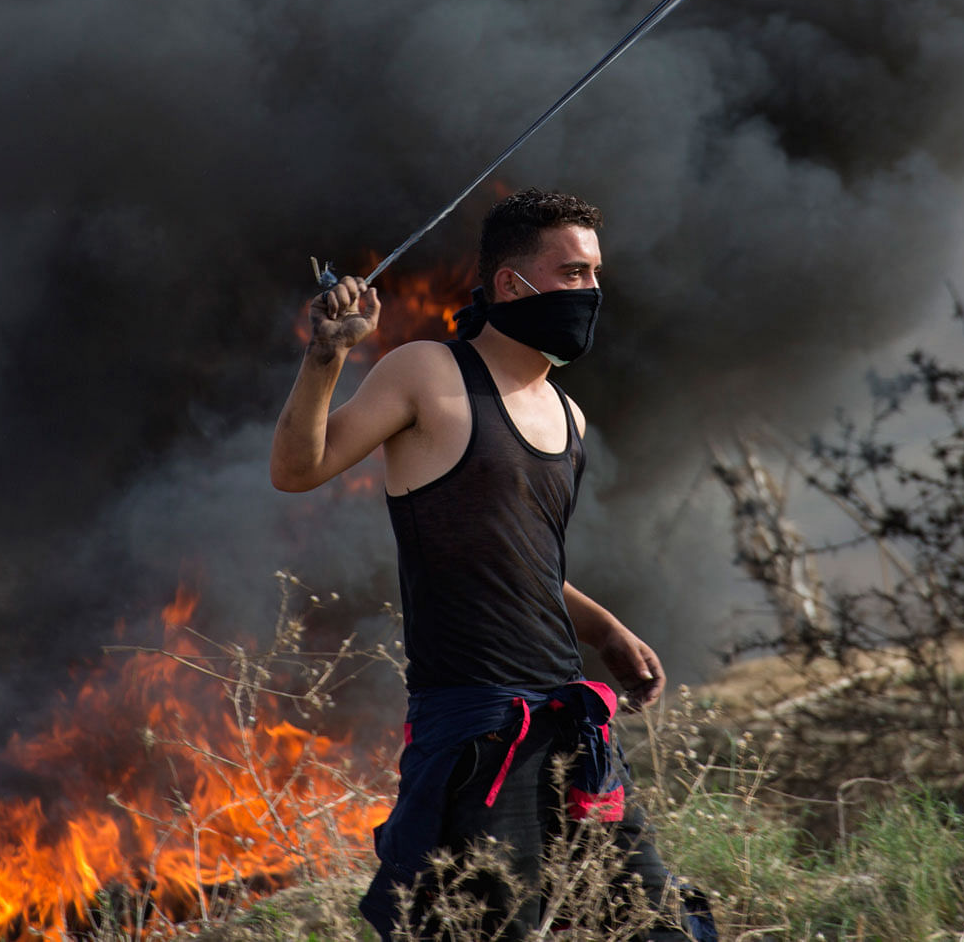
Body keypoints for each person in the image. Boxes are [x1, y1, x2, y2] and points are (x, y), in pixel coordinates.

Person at [269, 189, 709, 941]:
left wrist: (605, 631)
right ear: (511, 285)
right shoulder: (427, 375)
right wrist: (326, 354)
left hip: (572, 729)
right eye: (571, 273)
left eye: (596, 274)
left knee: (659, 925)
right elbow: (295, 467)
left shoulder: (567, 416)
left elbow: (523, 560)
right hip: (473, 736)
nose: (591, 292)